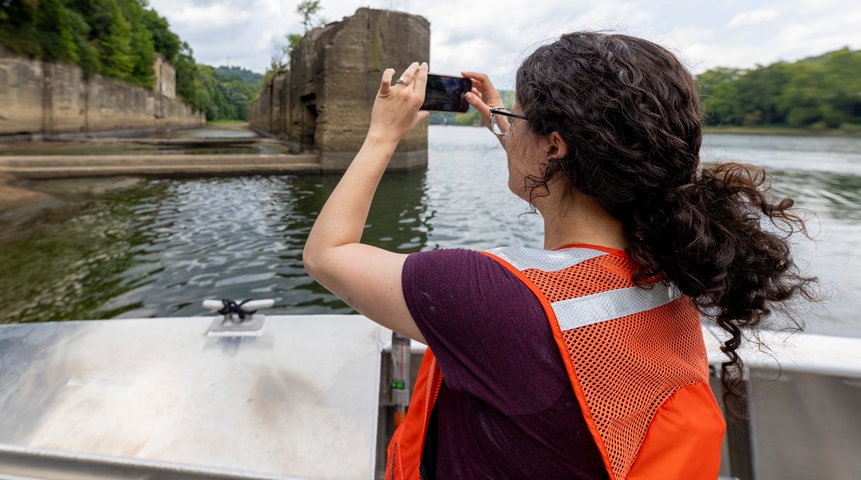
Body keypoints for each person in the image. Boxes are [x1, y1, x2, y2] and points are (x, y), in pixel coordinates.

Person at [302, 31, 815, 480]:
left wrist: (381, 135)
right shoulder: (669, 276)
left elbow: (329, 254)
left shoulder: (487, 296)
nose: (509, 126)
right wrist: (511, 127)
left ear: (554, 146)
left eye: (517, 119)